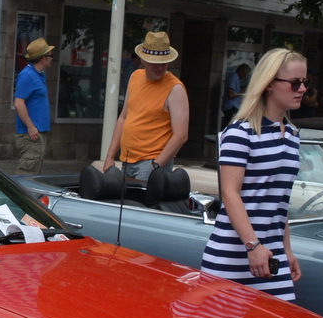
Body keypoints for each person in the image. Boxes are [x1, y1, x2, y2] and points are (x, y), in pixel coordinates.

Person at [200, 48, 306, 301]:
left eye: (304, 82)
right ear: (269, 85)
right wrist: (253, 245)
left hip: (271, 255)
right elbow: (229, 193)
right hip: (233, 256)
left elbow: (279, 202)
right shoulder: (240, 132)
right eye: (294, 83)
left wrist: (287, 250)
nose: (302, 89)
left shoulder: (292, 135)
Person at [102, 31, 189, 175]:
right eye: (154, 62)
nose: (159, 68)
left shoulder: (175, 88)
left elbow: (181, 135)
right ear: (142, 59)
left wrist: (156, 165)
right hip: (127, 160)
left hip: (151, 162)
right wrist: (110, 157)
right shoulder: (135, 76)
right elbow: (124, 118)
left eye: (163, 63)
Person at [12, 38, 55, 176]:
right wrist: (31, 127)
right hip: (31, 135)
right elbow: (19, 103)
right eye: (50, 56)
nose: (52, 59)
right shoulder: (27, 75)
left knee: (34, 173)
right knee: (27, 174)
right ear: (43, 58)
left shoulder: (38, 75)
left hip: (38, 133)